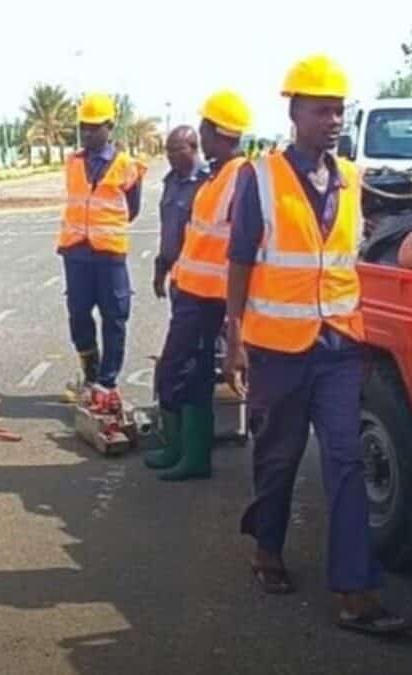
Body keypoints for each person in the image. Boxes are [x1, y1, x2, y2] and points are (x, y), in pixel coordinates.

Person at [222, 55, 410, 634]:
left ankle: (356, 590)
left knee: (345, 460)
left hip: (338, 347)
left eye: (338, 111)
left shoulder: (351, 178)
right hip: (279, 348)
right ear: (295, 113)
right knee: (277, 457)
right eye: (321, 111)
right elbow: (240, 259)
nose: (333, 121)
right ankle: (267, 549)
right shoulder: (259, 178)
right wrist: (234, 335)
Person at [145, 91, 252, 481]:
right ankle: (181, 449)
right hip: (192, 292)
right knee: (185, 371)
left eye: (204, 129)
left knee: (187, 371)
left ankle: (193, 456)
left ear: (218, 132)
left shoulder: (239, 178)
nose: (202, 137)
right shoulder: (217, 176)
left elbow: (242, 246)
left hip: (210, 298)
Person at [57, 92, 148, 413]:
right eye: (84, 126)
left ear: (110, 126)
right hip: (76, 252)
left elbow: (132, 208)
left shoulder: (127, 166)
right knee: (79, 315)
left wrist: (105, 228)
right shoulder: (73, 162)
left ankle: (107, 381)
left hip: (109, 254)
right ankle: (91, 374)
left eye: (95, 127)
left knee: (115, 317)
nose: (88, 133)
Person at [153, 125, 207, 300]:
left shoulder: (208, 181)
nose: (170, 155)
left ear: (194, 148)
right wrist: (161, 266)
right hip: (177, 278)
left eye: (177, 150)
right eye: (168, 150)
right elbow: (168, 229)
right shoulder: (171, 181)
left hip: (202, 281)